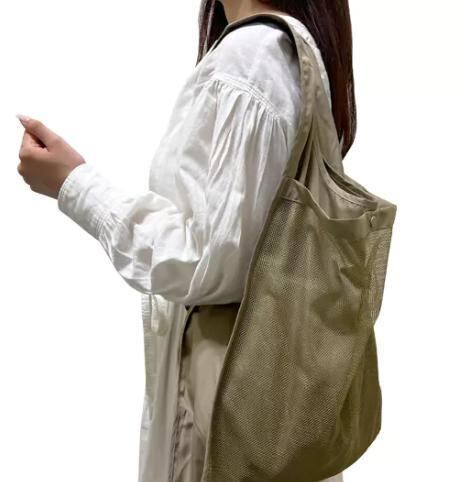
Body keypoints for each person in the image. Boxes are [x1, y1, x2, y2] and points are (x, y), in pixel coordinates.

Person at [16, 1, 355, 481]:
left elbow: (207, 260)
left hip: (223, 414)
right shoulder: (291, 52)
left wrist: (74, 185)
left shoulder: (253, 57)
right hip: (274, 403)